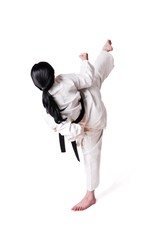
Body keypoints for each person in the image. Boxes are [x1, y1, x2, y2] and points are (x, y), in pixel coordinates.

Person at [30, 39, 114, 211]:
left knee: (91, 155)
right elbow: (87, 78)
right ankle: (106, 52)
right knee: (95, 76)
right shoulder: (63, 80)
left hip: (91, 122)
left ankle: (90, 196)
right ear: (53, 75)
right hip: (92, 102)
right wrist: (84, 61)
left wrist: (79, 132)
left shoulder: (47, 108)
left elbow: (64, 128)